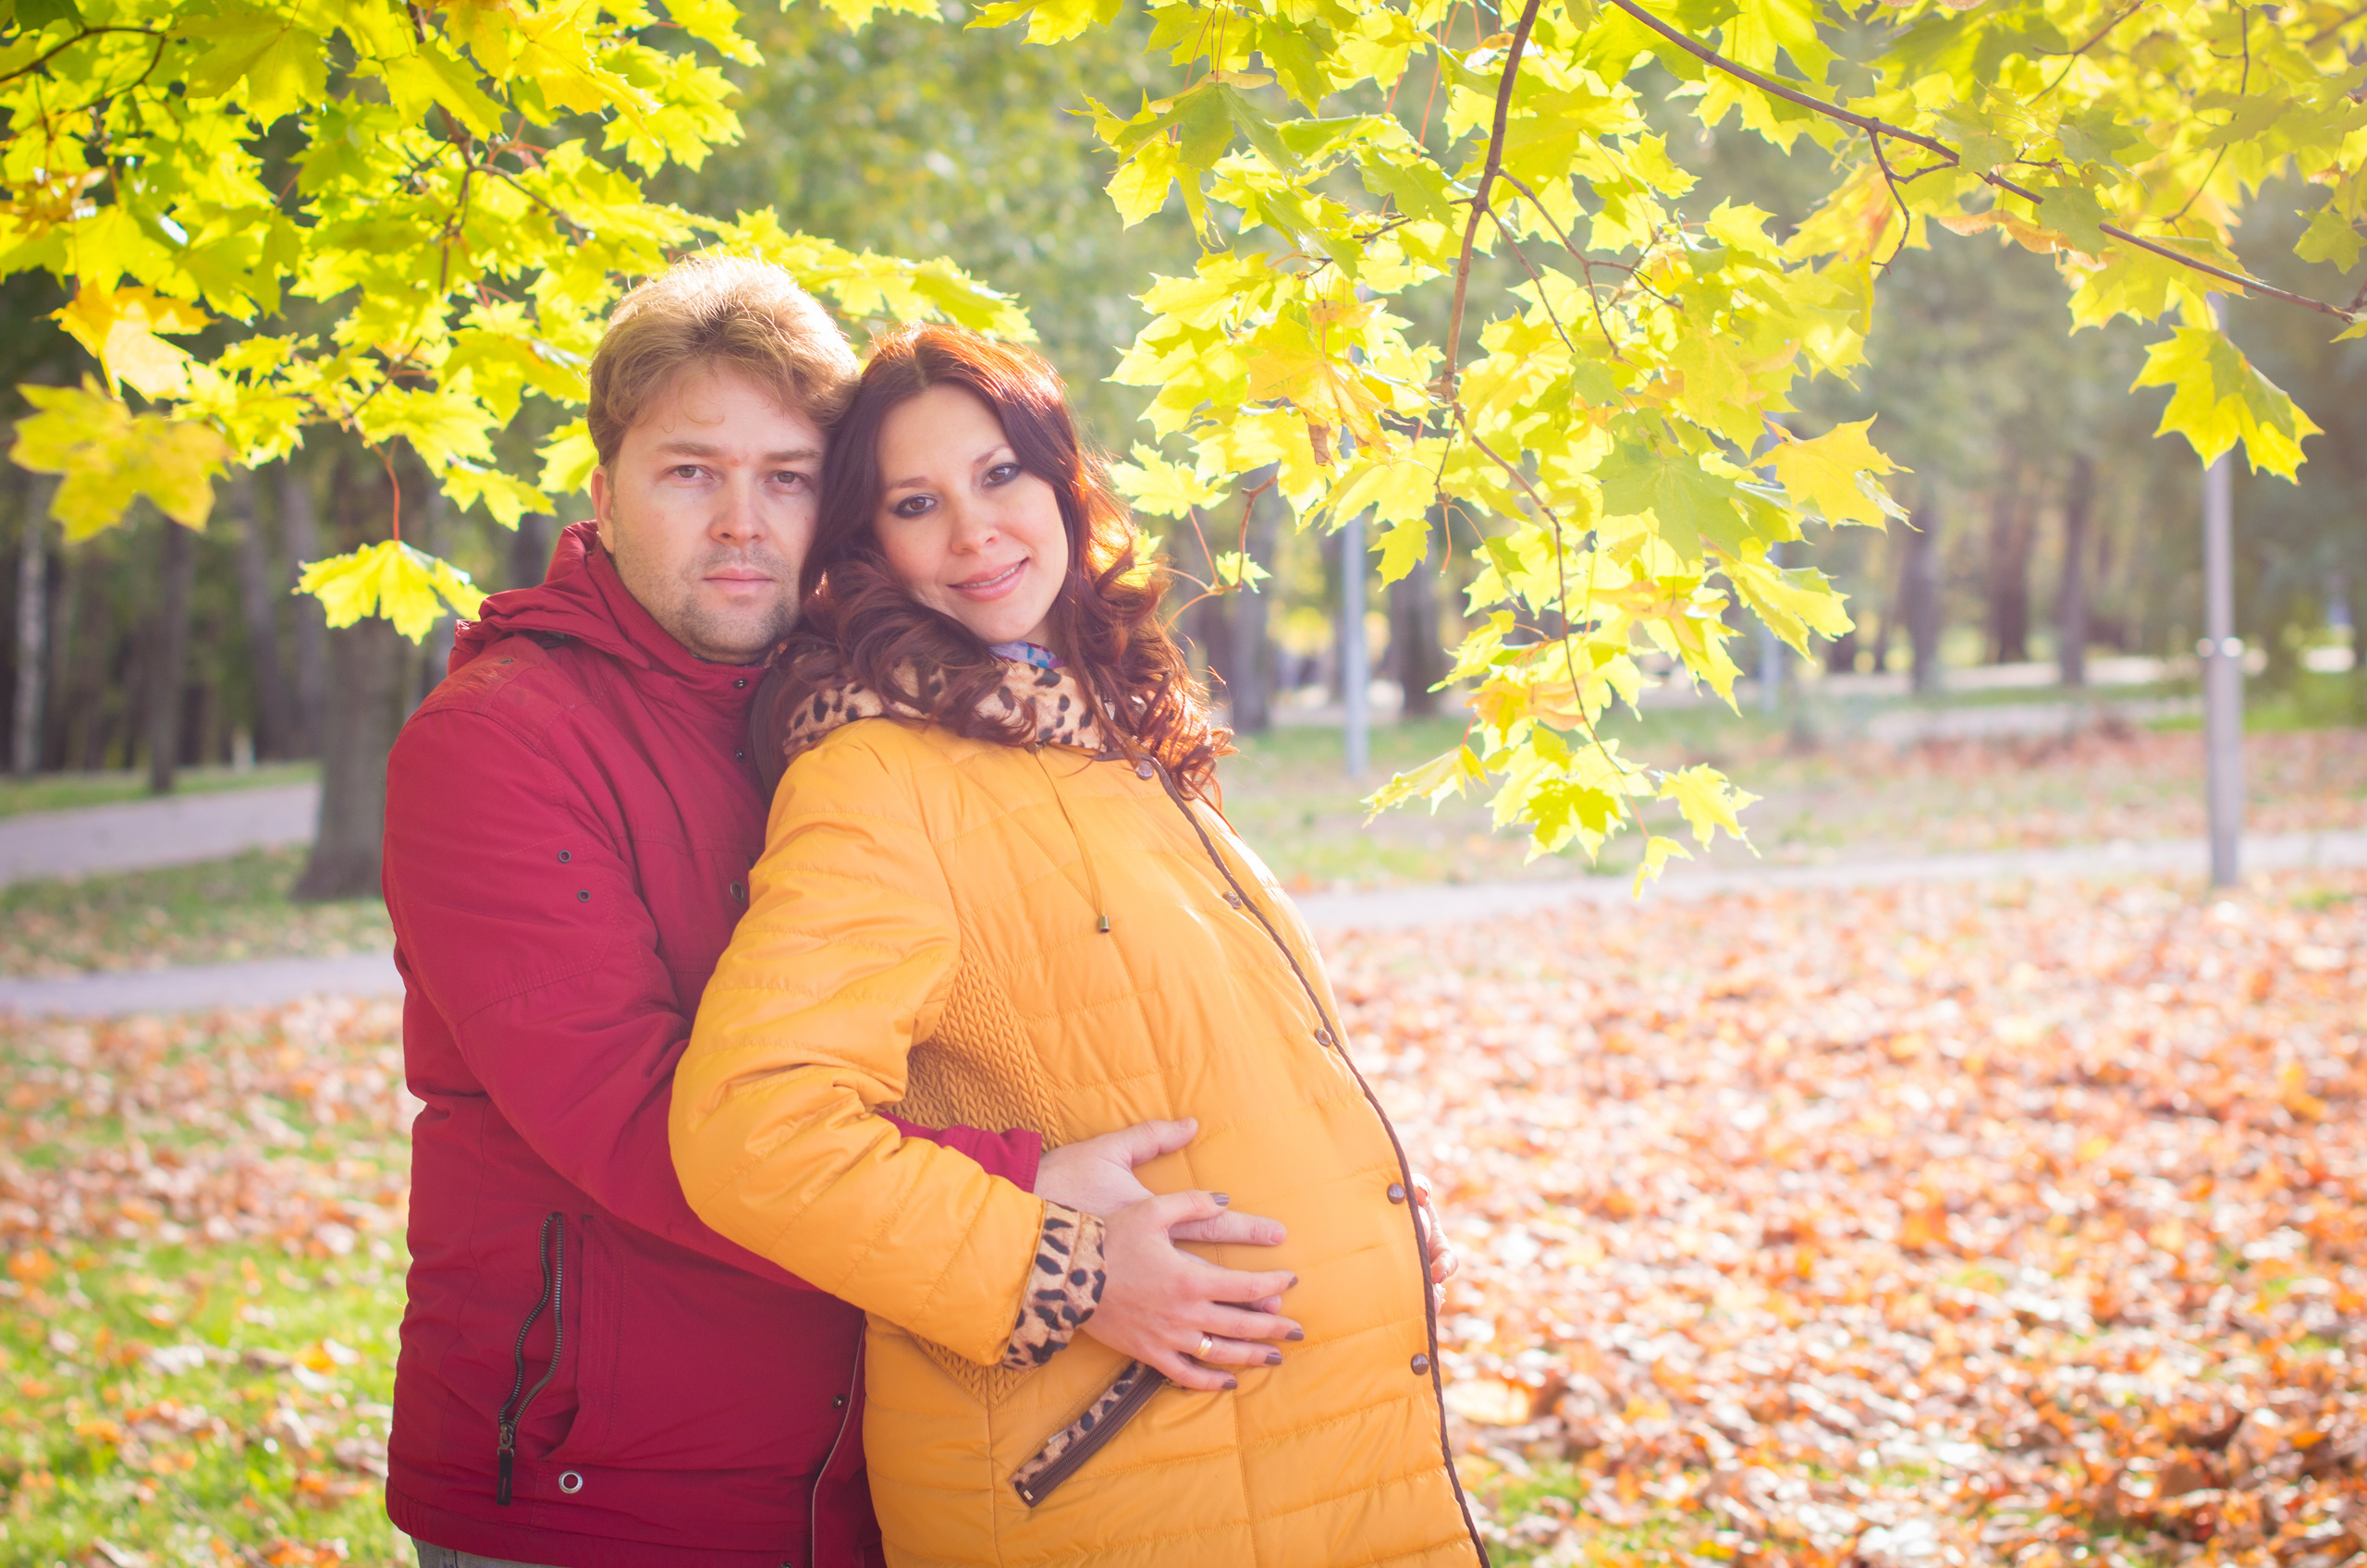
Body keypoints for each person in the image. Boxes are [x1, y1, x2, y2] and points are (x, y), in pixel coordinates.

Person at [380, 256, 1291, 1568]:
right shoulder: (500, 743)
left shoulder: (860, 710)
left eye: (788, 477)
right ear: (604, 492)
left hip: (882, 1447)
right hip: (603, 1486)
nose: (744, 521)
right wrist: (1042, 1220)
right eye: (692, 472)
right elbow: (648, 1128)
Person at [668, 324, 1486, 1566]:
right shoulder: (877, 775)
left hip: (1310, 1453)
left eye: (1001, 475)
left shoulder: (1106, 735)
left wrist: (1357, 1193)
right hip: (1127, 1486)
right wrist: (1068, 1270)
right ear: (869, 546)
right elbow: (752, 1131)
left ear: (1062, 481)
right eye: (915, 503)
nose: (975, 531)